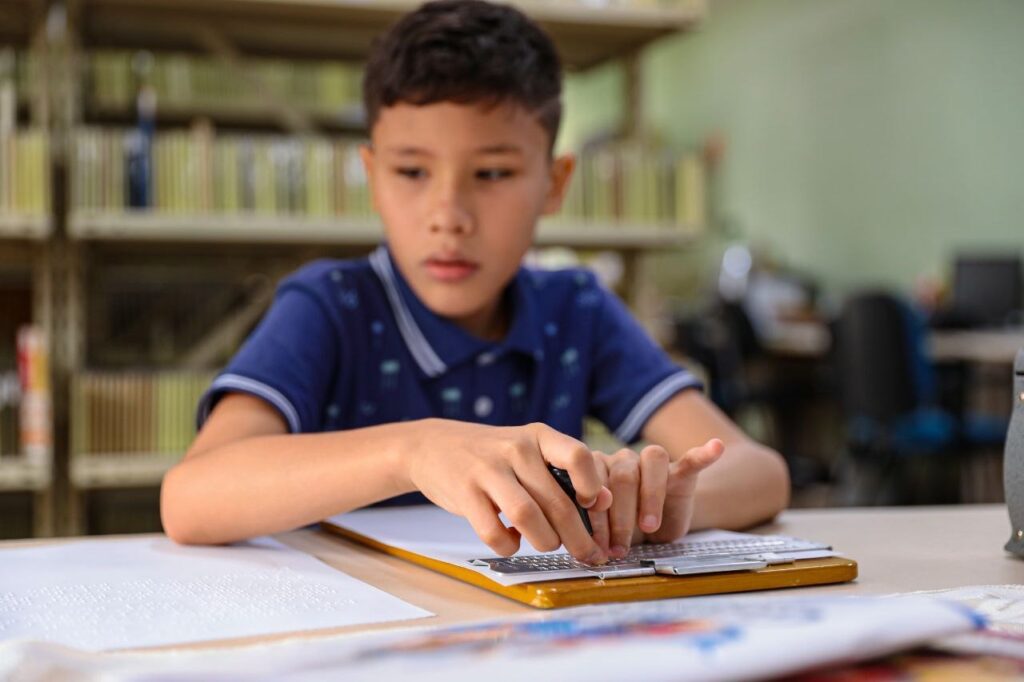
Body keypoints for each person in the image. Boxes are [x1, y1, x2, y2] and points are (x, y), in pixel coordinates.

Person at [160, 0, 789, 565]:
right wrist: (414, 450)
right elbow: (192, 496)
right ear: (372, 178)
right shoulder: (330, 304)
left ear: (555, 183)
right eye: (411, 171)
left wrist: (653, 505)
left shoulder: (575, 308)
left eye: (491, 173)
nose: (449, 217)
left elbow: (759, 472)